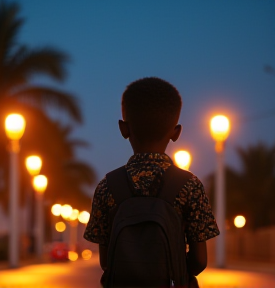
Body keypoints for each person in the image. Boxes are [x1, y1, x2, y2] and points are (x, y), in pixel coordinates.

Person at [84, 77, 220, 287]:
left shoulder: (107, 186)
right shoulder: (189, 185)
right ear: (176, 132)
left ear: (123, 129)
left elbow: (105, 262)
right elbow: (199, 262)